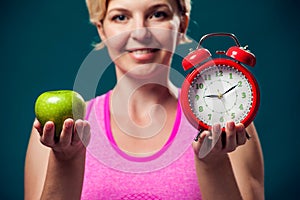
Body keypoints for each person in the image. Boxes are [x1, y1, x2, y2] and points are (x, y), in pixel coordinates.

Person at [24, 0, 264, 199]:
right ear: (101, 29)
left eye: (157, 14)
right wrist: (66, 160)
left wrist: (214, 163)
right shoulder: (59, 130)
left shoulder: (229, 122)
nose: (140, 32)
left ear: (182, 24)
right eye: (120, 17)